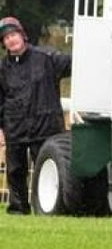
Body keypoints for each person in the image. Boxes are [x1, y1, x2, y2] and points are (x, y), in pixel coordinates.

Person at [0, 17, 71, 214]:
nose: (10, 40)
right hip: (15, 128)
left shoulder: (47, 58)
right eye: (5, 38)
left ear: (22, 35)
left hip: (46, 128)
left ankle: (46, 208)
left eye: (13, 35)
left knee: (47, 171)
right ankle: (18, 209)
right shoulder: (2, 68)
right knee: (15, 171)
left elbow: (76, 63)